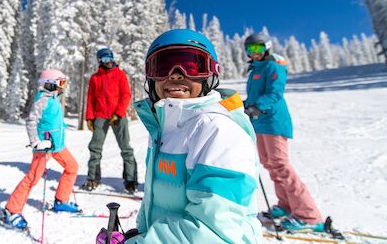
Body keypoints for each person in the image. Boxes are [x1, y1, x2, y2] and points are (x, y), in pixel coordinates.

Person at [123, 29, 262, 244]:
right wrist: (142, 233)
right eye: (163, 66)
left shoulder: (218, 131)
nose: (176, 74)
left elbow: (213, 234)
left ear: (210, 74)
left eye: (191, 66)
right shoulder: (166, 130)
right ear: (150, 76)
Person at [244, 33, 325, 232]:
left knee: (280, 165)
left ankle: (309, 215)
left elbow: (274, 93)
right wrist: (242, 106)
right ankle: (286, 205)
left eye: (258, 48)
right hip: (260, 123)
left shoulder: (273, 66)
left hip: (273, 121)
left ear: (267, 47)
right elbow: (253, 96)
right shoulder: (255, 69)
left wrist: (257, 106)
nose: (254, 53)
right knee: (269, 164)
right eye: (250, 50)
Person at [0, 69, 80, 230]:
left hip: (57, 146)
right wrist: (36, 142)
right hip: (44, 148)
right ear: (50, 84)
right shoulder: (42, 100)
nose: (62, 87)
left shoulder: (53, 99)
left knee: (72, 167)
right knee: (32, 178)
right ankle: (11, 211)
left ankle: (61, 201)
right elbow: (31, 122)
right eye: (60, 83)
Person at [81, 48, 138, 194]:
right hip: (100, 116)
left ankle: (130, 180)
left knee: (126, 148)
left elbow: (126, 95)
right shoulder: (95, 78)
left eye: (110, 58)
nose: (108, 62)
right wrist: (89, 117)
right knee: (95, 148)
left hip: (118, 116)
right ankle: (93, 178)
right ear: (100, 61)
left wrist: (118, 114)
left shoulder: (120, 75)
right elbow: (91, 99)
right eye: (105, 59)